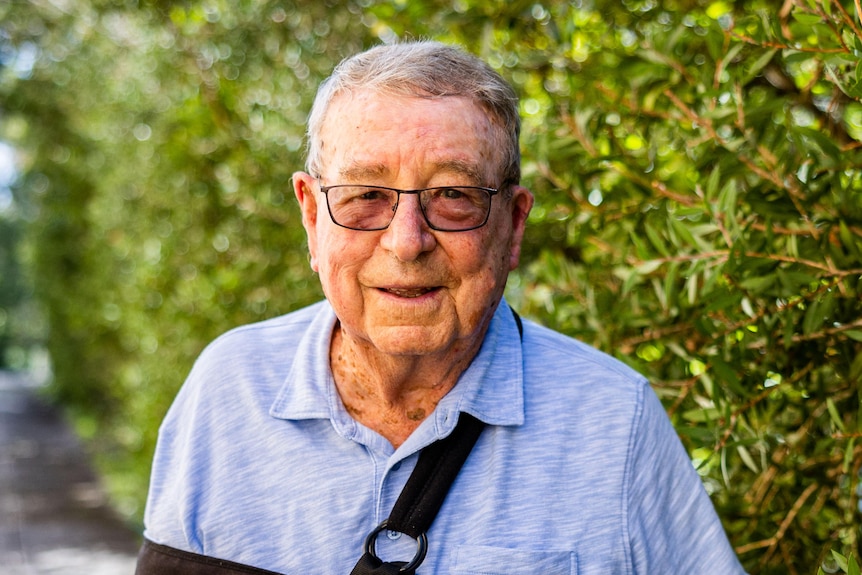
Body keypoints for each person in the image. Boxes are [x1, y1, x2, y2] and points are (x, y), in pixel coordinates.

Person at [137, 40, 746, 574]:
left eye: (454, 196)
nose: (406, 242)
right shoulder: (227, 390)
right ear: (310, 214)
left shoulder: (615, 422)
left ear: (512, 224)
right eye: (366, 195)